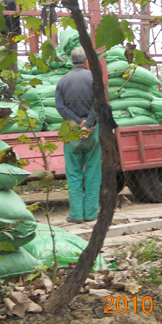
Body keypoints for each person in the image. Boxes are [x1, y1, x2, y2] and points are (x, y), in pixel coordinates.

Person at [55, 47, 101, 224]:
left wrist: (77, 122)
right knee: (93, 172)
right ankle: (90, 214)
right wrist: (88, 123)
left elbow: (59, 106)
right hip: (92, 130)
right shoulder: (93, 78)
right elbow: (99, 102)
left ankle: (75, 215)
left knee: (73, 173)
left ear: (70, 60)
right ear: (86, 60)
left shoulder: (62, 80)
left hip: (71, 130)